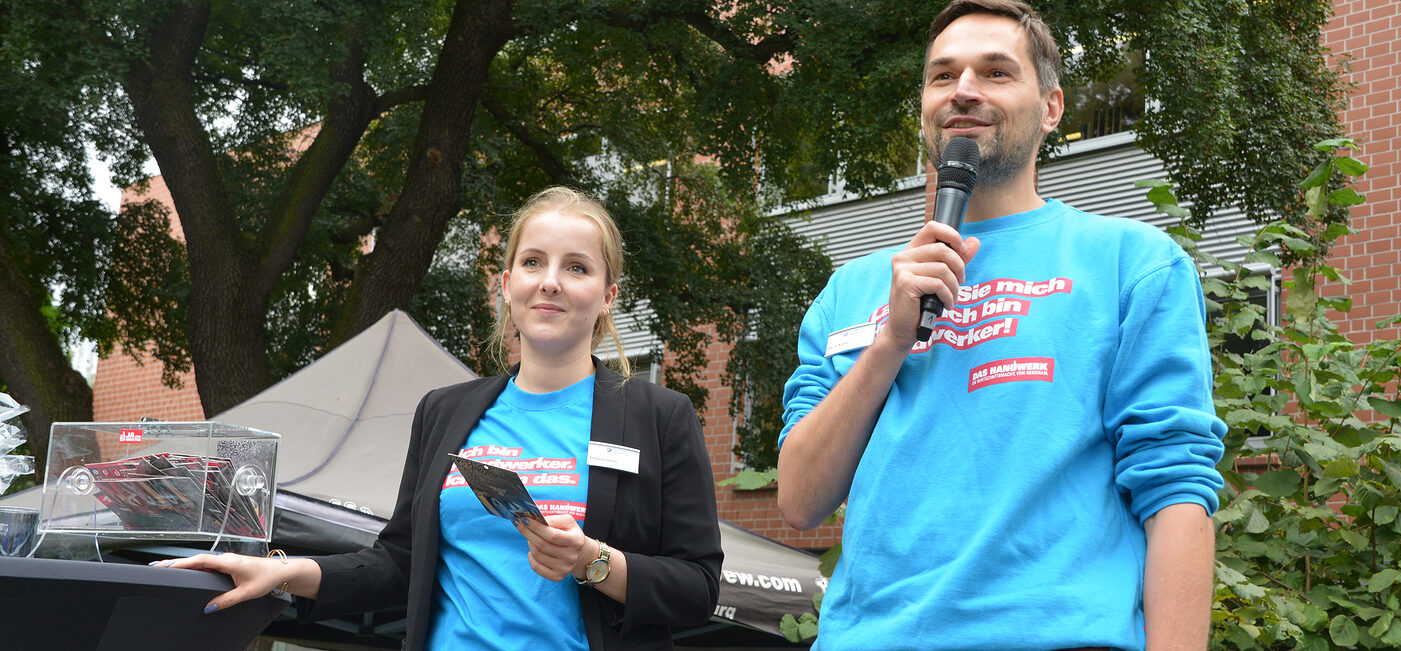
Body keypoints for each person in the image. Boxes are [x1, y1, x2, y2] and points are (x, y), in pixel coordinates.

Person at [775, 1, 1226, 649]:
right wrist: (890, 342)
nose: (964, 90)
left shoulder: (1134, 265)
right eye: (942, 75)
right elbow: (797, 498)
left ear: (1052, 107)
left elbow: (1176, 489)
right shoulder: (850, 292)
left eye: (994, 72)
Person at [156, 186, 723, 650]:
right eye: (532, 262)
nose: (550, 280)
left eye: (576, 268)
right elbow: (398, 563)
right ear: (507, 286)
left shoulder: (660, 415)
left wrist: (595, 561)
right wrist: (286, 572)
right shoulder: (444, 411)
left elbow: (698, 588)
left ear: (606, 297)